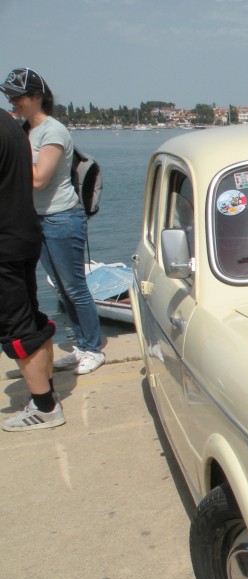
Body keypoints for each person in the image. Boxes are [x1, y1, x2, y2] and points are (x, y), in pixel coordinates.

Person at [1, 68, 104, 375]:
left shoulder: (53, 131)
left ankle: (93, 348)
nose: (12, 101)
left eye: (17, 96)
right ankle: (80, 344)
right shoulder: (23, 131)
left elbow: (40, 179)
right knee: (61, 287)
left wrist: (9, 165)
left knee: (74, 287)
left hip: (61, 218)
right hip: (37, 219)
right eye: (8, 96)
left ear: (37, 97)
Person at [0, 108, 64, 431]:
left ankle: (45, 407)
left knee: (16, 329)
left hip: (5, 245)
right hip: (24, 234)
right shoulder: (11, 125)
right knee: (31, 317)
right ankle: (46, 392)